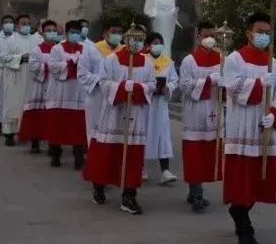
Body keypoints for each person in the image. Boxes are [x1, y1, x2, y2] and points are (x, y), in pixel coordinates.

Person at [222, 12, 276, 244]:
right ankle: (243, 224)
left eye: (267, 33)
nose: (263, 36)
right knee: (242, 180)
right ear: (248, 33)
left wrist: (275, 113)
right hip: (242, 127)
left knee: (259, 179)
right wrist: (260, 84)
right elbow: (233, 89)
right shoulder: (235, 59)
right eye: (259, 32)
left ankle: (241, 211)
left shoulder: (273, 62)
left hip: (265, 129)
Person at [83, 25, 156, 214]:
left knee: (133, 155)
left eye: (141, 39)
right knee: (108, 151)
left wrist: (138, 88)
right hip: (114, 113)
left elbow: (152, 84)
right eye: (134, 38)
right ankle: (99, 186)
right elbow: (104, 82)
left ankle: (129, 195)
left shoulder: (147, 62)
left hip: (135, 114)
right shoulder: (111, 59)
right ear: (126, 39)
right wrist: (123, 87)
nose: (137, 42)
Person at [179, 20, 222, 212]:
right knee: (194, 153)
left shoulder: (221, 59)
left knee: (207, 153)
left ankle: (195, 190)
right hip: (195, 113)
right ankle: (196, 192)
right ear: (198, 37)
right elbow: (185, 86)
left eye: (212, 35)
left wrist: (223, 84)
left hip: (213, 111)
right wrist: (209, 81)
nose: (209, 39)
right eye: (206, 36)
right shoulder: (189, 60)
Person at [45, 20, 87, 169]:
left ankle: (79, 157)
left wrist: (80, 64)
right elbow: (52, 66)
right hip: (60, 94)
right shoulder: (57, 48)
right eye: (72, 32)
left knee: (78, 127)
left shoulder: (87, 49)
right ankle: (56, 155)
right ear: (67, 33)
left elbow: (92, 67)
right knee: (58, 126)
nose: (75, 35)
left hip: (79, 95)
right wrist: (70, 64)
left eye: (77, 32)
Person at [79, 21, 125, 147]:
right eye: (114, 32)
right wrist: (100, 81)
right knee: (95, 132)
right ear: (105, 33)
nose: (117, 35)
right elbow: (82, 73)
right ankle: (94, 161)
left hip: (117, 98)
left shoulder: (124, 51)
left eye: (120, 32)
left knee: (115, 132)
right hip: (97, 97)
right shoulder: (91, 49)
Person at [142, 30, 179, 185]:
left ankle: (165, 171)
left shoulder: (168, 62)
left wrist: (168, 88)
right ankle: (140, 168)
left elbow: (174, 80)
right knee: (142, 133)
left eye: (160, 43)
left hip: (160, 105)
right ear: (148, 46)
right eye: (155, 43)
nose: (158, 46)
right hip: (145, 104)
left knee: (162, 135)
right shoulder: (142, 60)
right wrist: (149, 88)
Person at [18, 19, 58, 153]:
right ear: (42, 32)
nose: (51, 33)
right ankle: (35, 141)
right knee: (36, 115)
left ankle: (52, 144)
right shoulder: (37, 49)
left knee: (52, 117)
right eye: (48, 30)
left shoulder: (59, 49)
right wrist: (50, 68)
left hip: (54, 88)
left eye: (54, 31)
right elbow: (33, 67)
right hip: (39, 86)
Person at [0, 13, 37, 146]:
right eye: (23, 24)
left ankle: (27, 133)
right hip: (15, 76)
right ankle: (9, 133)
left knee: (29, 105)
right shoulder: (10, 40)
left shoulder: (35, 40)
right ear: (17, 25)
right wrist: (21, 58)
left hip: (31, 78)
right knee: (12, 104)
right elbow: (3, 58)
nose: (26, 26)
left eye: (28, 24)